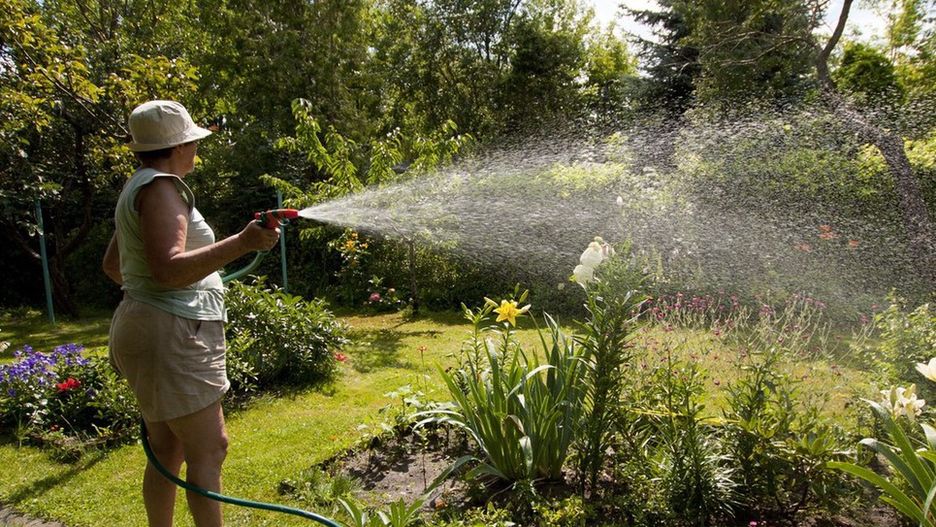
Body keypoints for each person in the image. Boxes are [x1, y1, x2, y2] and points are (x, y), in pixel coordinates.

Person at [103, 100, 279, 527]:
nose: (196, 148)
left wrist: (150, 301)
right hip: (173, 336)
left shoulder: (140, 185)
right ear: (179, 145)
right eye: (193, 141)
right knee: (210, 449)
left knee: (166, 449)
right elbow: (167, 270)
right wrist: (242, 243)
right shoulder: (163, 188)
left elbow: (114, 266)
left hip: (149, 326)